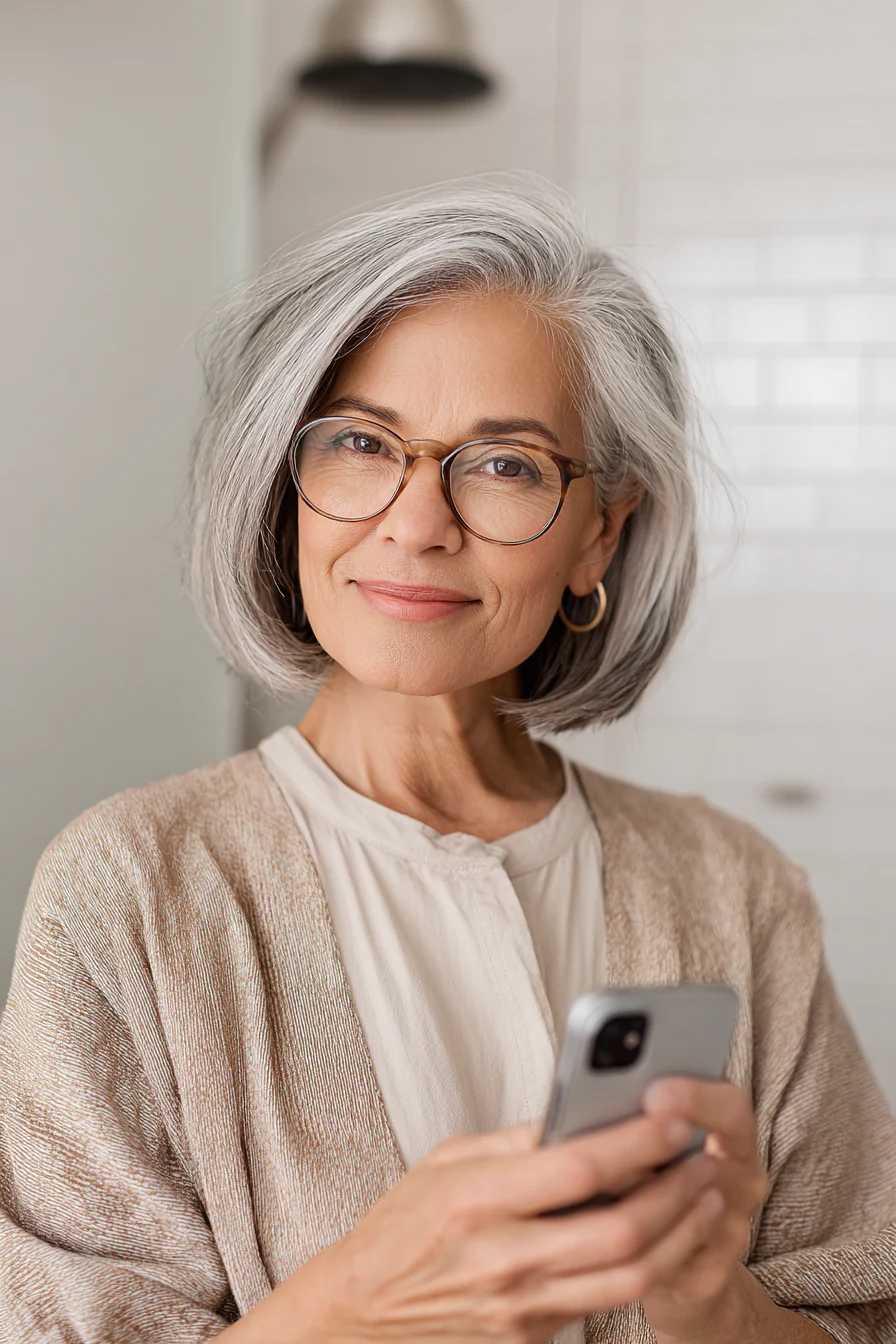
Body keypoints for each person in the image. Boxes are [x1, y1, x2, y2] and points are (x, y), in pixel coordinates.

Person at [1, 173, 894, 1344]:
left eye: (505, 464)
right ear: (287, 490)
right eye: (361, 444)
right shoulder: (130, 889)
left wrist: (706, 1307)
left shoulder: (734, 890)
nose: (416, 523)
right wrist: (352, 1308)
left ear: (599, 534)